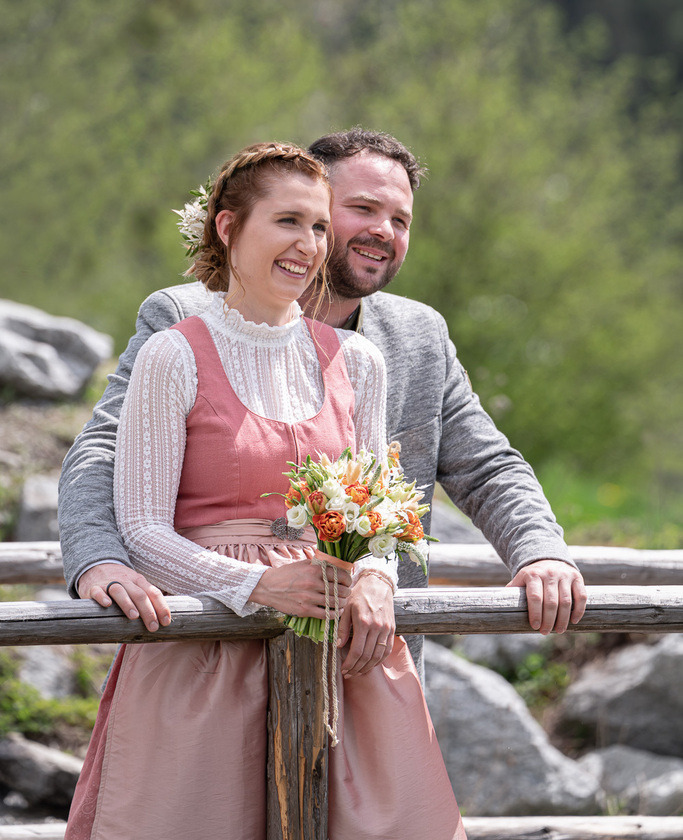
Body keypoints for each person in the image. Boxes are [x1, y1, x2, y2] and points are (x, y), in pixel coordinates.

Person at [59, 127, 586, 681]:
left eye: (401, 220)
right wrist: (99, 558)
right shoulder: (183, 321)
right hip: (214, 644)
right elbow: (104, 446)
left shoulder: (416, 336)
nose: (383, 231)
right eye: (363, 208)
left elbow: (485, 467)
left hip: (362, 657)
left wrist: (540, 550)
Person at [64, 142, 466, 840]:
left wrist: (374, 576)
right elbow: (143, 528)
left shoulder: (361, 363)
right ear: (228, 228)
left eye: (317, 227)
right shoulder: (173, 351)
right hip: (207, 650)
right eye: (287, 222)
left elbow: (376, 507)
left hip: (342, 650)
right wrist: (254, 588)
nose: (308, 245)